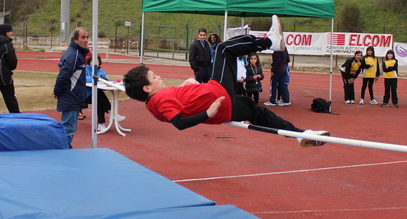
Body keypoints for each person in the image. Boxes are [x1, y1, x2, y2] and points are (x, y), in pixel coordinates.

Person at [122, 16, 327, 147]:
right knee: (223, 49)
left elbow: (184, 107)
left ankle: (301, 134)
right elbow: (179, 123)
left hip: (223, 107)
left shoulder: (157, 102)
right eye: (154, 77)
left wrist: (189, 89)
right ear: (147, 88)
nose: (159, 77)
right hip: (218, 95)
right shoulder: (159, 100)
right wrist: (207, 113)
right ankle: (270, 41)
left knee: (258, 112)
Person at [54, 28, 90, 148]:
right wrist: (57, 91)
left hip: (74, 96)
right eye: (83, 37)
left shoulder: (77, 53)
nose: (86, 40)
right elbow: (63, 76)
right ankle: (63, 151)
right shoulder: (73, 55)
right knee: (68, 128)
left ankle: (65, 149)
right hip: (70, 96)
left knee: (71, 128)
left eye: (87, 37)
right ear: (75, 39)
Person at [85, 52, 112, 133]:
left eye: (97, 61)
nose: (95, 63)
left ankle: (102, 124)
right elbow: (85, 79)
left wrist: (104, 81)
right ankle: (111, 113)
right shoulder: (85, 69)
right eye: (93, 61)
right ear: (89, 62)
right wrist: (97, 79)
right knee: (98, 96)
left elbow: (104, 79)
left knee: (98, 99)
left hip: (97, 94)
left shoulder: (100, 71)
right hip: (86, 95)